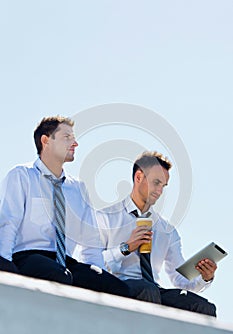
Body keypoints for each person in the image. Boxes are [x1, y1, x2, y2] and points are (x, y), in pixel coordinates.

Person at [0, 116, 129, 298]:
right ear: (45, 141)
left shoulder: (78, 188)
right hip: (26, 257)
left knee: (118, 289)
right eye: (67, 137)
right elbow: (8, 223)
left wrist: (99, 280)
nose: (75, 143)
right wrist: (5, 268)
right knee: (58, 275)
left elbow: (91, 243)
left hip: (66, 262)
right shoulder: (22, 176)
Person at [96, 151, 217, 316]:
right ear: (139, 177)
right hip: (117, 286)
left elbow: (180, 281)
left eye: (163, 186)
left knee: (204, 307)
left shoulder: (166, 230)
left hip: (154, 290)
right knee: (148, 290)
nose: (159, 191)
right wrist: (126, 247)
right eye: (156, 183)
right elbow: (93, 264)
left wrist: (205, 277)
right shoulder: (105, 217)